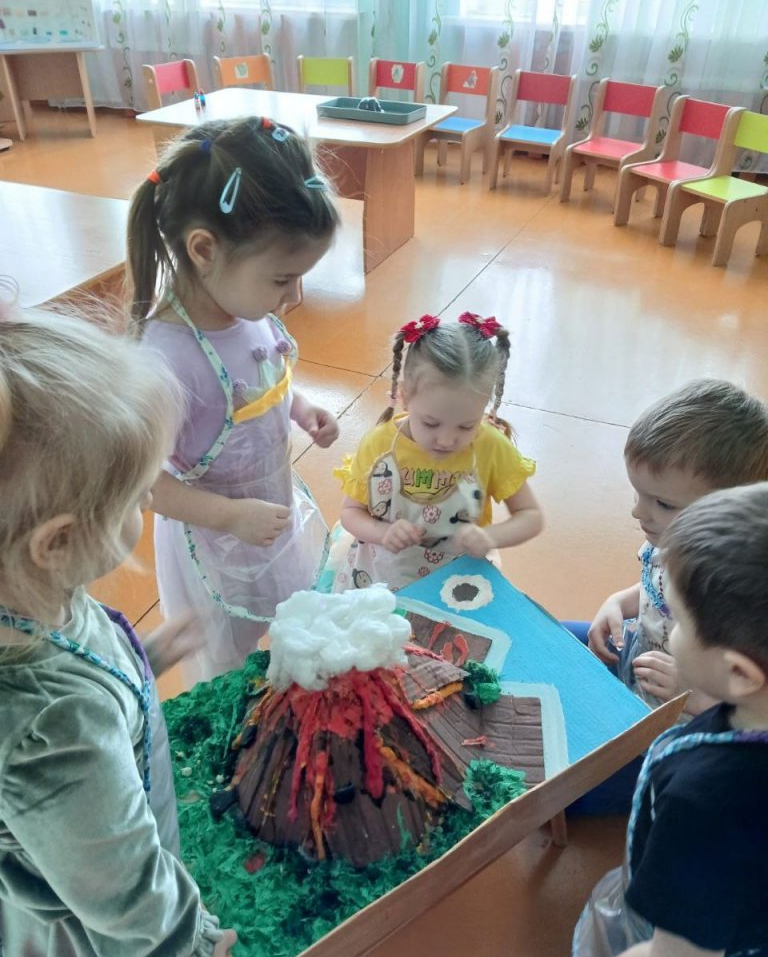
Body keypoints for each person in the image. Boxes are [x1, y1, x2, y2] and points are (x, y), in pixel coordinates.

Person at [0, 304, 236, 957]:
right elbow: (126, 895)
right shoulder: (56, 729)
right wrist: (195, 953)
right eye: (136, 497)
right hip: (89, 943)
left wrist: (143, 661)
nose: (149, 504)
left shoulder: (32, 596)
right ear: (57, 542)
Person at [127, 115, 340, 683]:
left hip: (270, 514)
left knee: (292, 622)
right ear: (204, 249)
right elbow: (146, 483)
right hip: (213, 539)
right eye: (281, 279)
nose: (293, 296)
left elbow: (259, 380)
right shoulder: (165, 361)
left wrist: (300, 408)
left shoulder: (246, 309)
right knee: (228, 665)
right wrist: (229, 517)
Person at [564, 483, 768, 957]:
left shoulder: (704, 805)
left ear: (739, 674)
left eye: (678, 623)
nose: (665, 630)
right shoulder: (745, 706)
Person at [583, 379, 768, 714]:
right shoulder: (668, 539)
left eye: (663, 504)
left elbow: (757, 704)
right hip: (638, 663)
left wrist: (698, 698)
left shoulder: (741, 593)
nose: (638, 513)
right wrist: (619, 602)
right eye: (639, 494)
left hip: (679, 718)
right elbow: (656, 587)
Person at [330, 311, 542, 592]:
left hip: (456, 579)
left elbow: (530, 515)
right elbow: (351, 512)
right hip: (380, 574)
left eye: (466, 426)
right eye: (431, 423)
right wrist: (383, 532)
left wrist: (491, 536)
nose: (446, 440)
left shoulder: (490, 446)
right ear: (404, 396)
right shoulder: (379, 445)